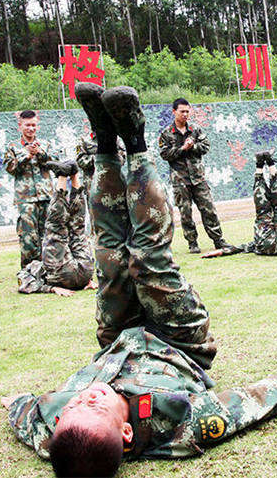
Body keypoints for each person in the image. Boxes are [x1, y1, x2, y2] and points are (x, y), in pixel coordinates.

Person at [2, 327, 277, 477]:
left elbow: (25, 413)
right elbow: (247, 404)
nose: (85, 398)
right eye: (96, 406)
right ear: (127, 433)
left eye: (74, 407)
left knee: (111, 250)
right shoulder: (181, 424)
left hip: (117, 338)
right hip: (175, 340)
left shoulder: (57, 436)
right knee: (152, 256)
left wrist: (15, 402)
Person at [73, 82, 217, 368]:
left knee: (110, 259)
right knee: (150, 259)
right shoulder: (171, 406)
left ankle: (104, 137)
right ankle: (134, 137)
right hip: (182, 346)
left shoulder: (90, 395)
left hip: (120, 348)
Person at [157, 98, 229, 254]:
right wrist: (183, 148)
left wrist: (193, 146)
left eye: (187, 111)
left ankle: (218, 239)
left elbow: (205, 146)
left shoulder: (195, 129)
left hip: (198, 177)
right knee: (186, 213)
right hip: (180, 180)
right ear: (174, 112)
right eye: (182, 111)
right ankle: (192, 243)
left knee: (209, 209)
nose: (185, 114)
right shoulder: (166, 134)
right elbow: (165, 154)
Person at [17, 161, 98, 296]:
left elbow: (23, 279)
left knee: (76, 226)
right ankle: (71, 175)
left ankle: (69, 175)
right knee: (60, 227)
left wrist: (50, 288)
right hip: (80, 274)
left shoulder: (32, 268)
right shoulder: (39, 266)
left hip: (81, 272)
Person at [5, 110, 55, 268]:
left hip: (46, 196)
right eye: (27, 125)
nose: (31, 128)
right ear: (20, 126)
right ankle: (30, 272)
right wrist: (26, 155)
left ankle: (50, 269)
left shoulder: (45, 145)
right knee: (28, 237)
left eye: (34, 125)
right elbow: (10, 168)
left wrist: (40, 153)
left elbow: (55, 164)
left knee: (49, 234)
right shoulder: (12, 147)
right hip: (26, 199)